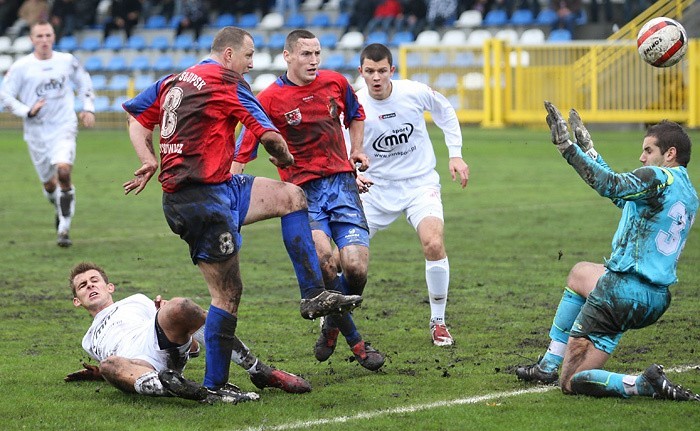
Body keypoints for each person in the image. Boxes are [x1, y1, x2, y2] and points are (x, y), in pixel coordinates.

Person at [121, 26, 363, 394]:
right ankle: (215, 386)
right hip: (200, 200)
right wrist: (284, 155)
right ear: (229, 54)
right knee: (227, 294)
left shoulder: (174, 80)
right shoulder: (226, 81)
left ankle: (313, 294)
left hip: (220, 187)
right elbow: (269, 137)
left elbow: (137, 118)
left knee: (292, 196)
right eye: (249, 55)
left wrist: (147, 158)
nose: (252, 64)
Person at [515, 101, 700, 402]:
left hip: (622, 292)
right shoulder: (687, 192)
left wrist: (567, 148)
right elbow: (624, 200)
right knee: (580, 274)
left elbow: (610, 185)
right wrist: (591, 152)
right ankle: (548, 364)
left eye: (648, 150)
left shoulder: (657, 178)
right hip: (654, 297)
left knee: (571, 381)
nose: (641, 157)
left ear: (670, 154)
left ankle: (642, 383)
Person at [234, 29, 385, 371]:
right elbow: (245, 149)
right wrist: (225, 189)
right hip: (303, 194)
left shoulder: (335, 83)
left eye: (317, 54)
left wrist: (357, 149)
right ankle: (358, 342)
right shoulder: (270, 99)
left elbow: (356, 114)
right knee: (324, 261)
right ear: (287, 57)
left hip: (343, 186)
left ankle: (331, 322)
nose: (314, 60)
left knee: (356, 270)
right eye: (306, 54)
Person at [67, 262, 313, 404]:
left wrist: (164, 315)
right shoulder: (88, 340)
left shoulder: (135, 300)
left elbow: (192, 348)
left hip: (156, 340)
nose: (90, 285)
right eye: (82, 285)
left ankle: (260, 371)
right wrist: (100, 373)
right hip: (139, 365)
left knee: (180, 305)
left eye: (94, 280)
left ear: (109, 287)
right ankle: (202, 393)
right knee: (110, 364)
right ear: (77, 301)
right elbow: (122, 370)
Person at [355, 43, 469, 346]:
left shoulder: (413, 92)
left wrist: (455, 154)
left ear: (391, 70)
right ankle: (334, 319)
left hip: (419, 184)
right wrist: (353, 173)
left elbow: (444, 109)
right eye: (370, 71)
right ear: (361, 72)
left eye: (382, 71)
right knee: (347, 258)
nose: (376, 78)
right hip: (374, 190)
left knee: (433, 243)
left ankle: (438, 321)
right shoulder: (354, 104)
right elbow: (343, 143)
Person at [0, 20, 94, 247]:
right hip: (36, 131)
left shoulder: (66, 61)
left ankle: (64, 228)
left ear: (54, 37)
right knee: (49, 185)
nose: (44, 40)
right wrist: (27, 111)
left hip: (63, 125)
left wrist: (88, 107)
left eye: (48, 35)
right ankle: (58, 203)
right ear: (31, 39)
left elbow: (84, 81)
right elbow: (5, 95)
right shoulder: (22, 67)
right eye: (39, 36)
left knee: (63, 171)